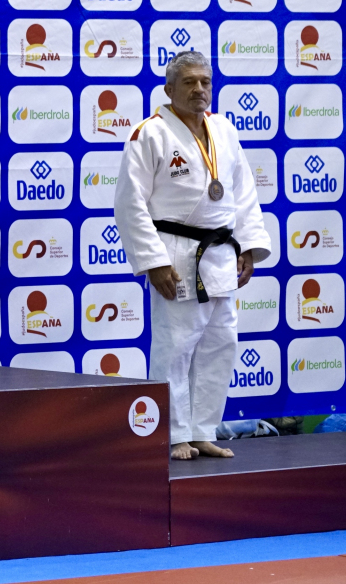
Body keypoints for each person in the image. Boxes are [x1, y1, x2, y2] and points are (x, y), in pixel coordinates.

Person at [114, 51, 270, 460]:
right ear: (169, 89)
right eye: (189, 82)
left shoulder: (224, 130)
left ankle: (202, 430)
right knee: (175, 347)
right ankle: (173, 435)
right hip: (177, 255)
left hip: (220, 253)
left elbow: (243, 193)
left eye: (205, 82)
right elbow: (129, 203)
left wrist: (249, 247)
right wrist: (154, 261)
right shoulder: (149, 134)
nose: (199, 89)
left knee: (221, 344)